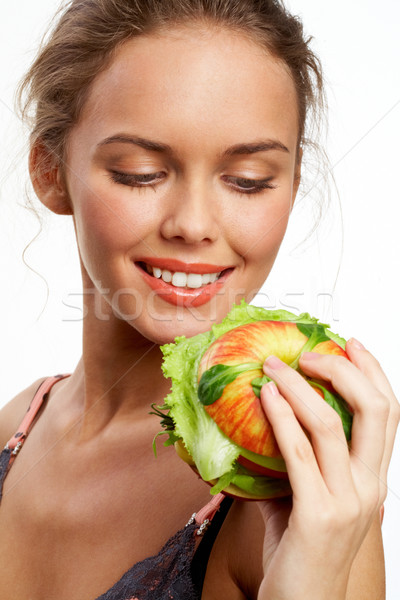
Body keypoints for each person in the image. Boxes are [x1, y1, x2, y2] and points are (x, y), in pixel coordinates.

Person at [0, 0, 398, 598]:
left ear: (290, 187)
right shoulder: (15, 428)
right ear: (50, 170)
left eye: (248, 181)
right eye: (139, 172)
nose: (193, 224)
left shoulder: (299, 498)